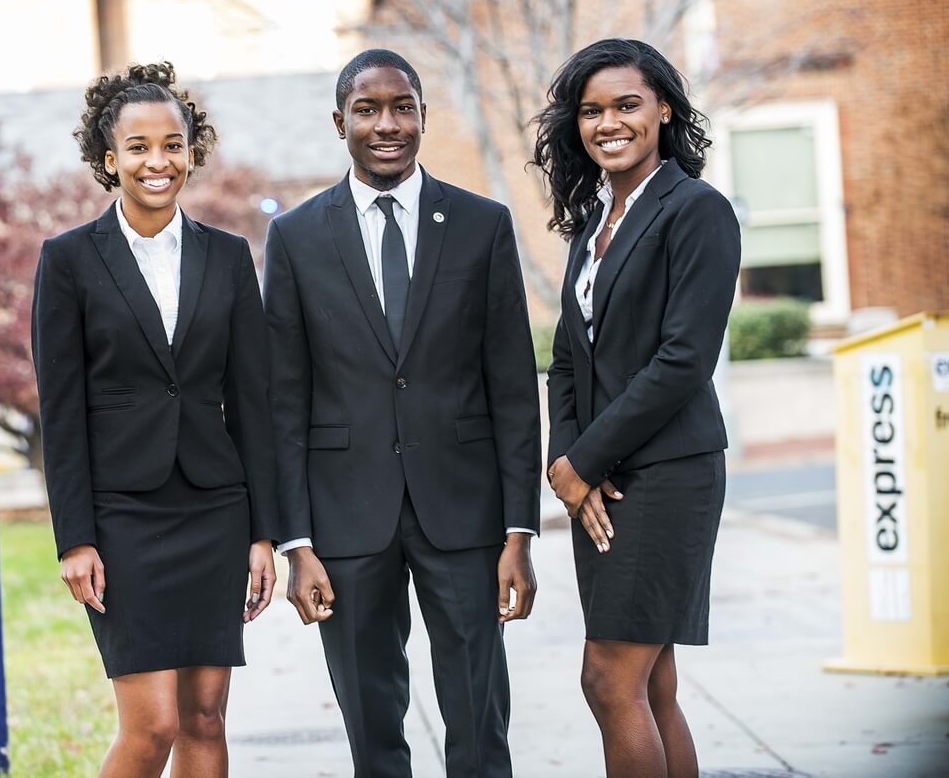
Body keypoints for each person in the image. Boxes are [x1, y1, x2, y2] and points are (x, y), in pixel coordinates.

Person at [263, 48, 542, 777]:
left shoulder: (482, 225)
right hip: (345, 516)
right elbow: (283, 399)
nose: (387, 124)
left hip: (466, 511)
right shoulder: (294, 237)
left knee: (480, 715)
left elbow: (512, 385)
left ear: (423, 115)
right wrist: (297, 543)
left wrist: (519, 531)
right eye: (367, 109)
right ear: (339, 122)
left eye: (402, 107)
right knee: (370, 717)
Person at [31, 62, 278, 777]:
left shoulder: (228, 258)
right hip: (122, 516)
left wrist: (261, 531)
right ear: (109, 160)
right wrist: (74, 538)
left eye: (172, 143)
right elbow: (63, 410)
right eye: (138, 146)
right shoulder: (69, 261)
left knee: (205, 718)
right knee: (153, 726)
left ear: (192, 152)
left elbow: (251, 404)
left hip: (214, 509)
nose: (157, 160)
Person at [532, 38, 741, 778]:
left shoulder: (697, 211)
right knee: (651, 683)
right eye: (591, 111)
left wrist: (587, 463)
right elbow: (566, 358)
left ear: (662, 110)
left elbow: (684, 360)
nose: (607, 123)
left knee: (608, 680)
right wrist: (566, 461)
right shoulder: (594, 221)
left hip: (666, 474)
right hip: (601, 478)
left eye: (626, 104)